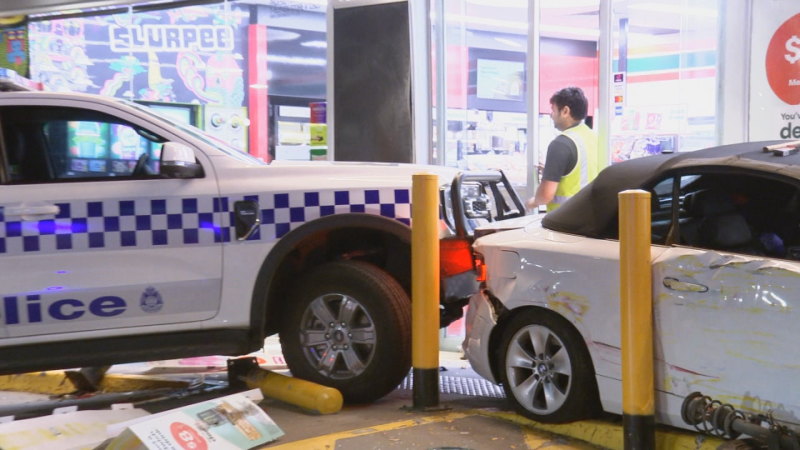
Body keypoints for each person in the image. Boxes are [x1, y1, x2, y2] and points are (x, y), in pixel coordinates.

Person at [526, 86, 599, 212]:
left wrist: (531, 203)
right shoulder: (595, 138)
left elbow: (545, 195)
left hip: (566, 220)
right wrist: (555, 170)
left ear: (565, 111)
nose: (551, 115)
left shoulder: (561, 143)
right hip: (592, 216)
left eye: (553, 110)